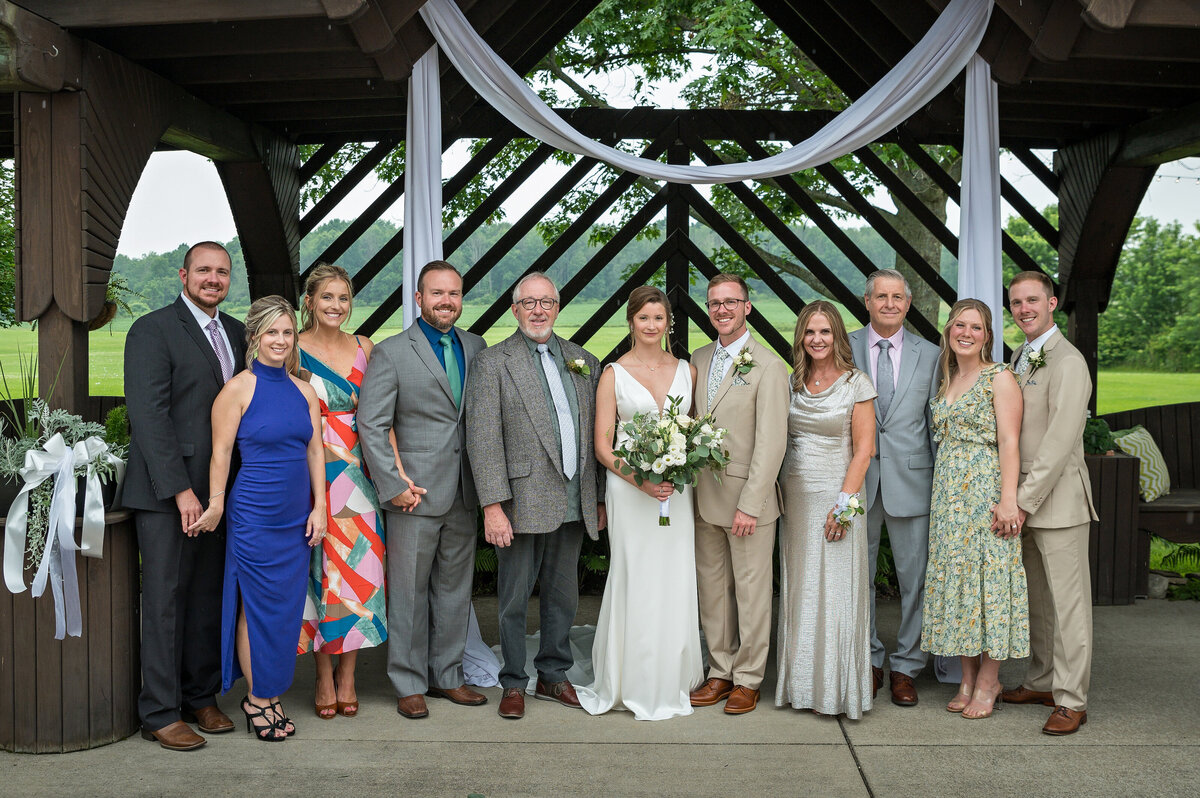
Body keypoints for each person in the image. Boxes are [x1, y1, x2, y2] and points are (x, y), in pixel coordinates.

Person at [464, 272, 604, 721]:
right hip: (519, 502)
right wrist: (492, 506)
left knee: (564, 595)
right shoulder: (493, 362)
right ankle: (513, 681)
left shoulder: (583, 360)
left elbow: (598, 436)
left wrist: (597, 499)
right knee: (513, 597)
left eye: (547, 302)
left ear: (558, 307)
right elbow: (483, 439)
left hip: (572, 498)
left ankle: (553, 674)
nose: (539, 310)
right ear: (514, 309)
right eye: (530, 302)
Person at [123, 241, 245, 751]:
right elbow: (149, 418)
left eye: (221, 271)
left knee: (205, 598)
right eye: (203, 270)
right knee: (166, 603)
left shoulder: (238, 333)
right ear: (183, 274)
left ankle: (200, 697)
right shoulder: (152, 330)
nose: (212, 279)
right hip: (168, 494)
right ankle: (159, 711)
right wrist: (181, 491)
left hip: (220, 493)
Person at [189, 295, 327, 741]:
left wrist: (321, 507)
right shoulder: (237, 390)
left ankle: (270, 693)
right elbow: (221, 454)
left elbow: (314, 450)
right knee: (256, 610)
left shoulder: (304, 390)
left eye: (287, 332)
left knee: (286, 612)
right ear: (254, 337)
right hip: (253, 517)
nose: (281, 341)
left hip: (295, 519)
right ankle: (258, 698)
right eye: (272, 332)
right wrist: (215, 504)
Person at [358, 260, 488, 720]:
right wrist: (392, 486)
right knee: (410, 593)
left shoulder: (477, 346)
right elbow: (371, 424)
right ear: (418, 298)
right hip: (413, 494)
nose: (446, 301)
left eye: (453, 293)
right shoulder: (392, 352)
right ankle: (408, 682)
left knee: (455, 590)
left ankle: (447, 676)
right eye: (437, 293)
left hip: (465, 490)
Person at [578, 286, 703, 721]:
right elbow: (602, 445)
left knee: (674, 573)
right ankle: (629, 676)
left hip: (676, 491)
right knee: (636, 574)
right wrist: (641, 482)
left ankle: (674, 673)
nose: (652, 326)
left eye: (659, 318)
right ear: (631, 321)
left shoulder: (687, 370)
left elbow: (696, 431)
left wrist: (676, 469)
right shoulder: (613, 373)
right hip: (630, 492)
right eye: (643, 318)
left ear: (669, 322)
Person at [1000, 272, 1098, 735]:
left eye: (1032, 300)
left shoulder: (1069, 362)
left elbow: (1060, 441)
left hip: (1056, 502)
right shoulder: (1020, 355)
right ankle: (1041, 680)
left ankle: (1072, 698)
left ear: (1052, 302)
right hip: (1023, 499)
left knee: (1069, 605)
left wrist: (1021, 500)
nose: (1024, 309)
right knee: (1038, 600)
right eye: (1017, 302)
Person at [920, 299, 1026, 720]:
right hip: (948, 498)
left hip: (984, 494)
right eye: (959, 325)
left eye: (976, 327)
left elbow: (1010, 443)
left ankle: (989, 680)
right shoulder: (949, 377)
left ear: (987, 336)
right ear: (949, 330)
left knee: (990, 584)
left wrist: (1009, 501)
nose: (966, 333)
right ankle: (966, 678)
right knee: (958, 585)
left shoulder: (999, 377)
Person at [689, 274, 789, 715]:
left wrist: (752, 503)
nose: (722, 310)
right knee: (712, 589)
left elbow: (773, 442)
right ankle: (720, 671)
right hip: (703, 496)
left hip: (749, 502)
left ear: (748, 307)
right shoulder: (698, 357)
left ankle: (749, 677)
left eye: (731, 302)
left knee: (751, 593)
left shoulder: (768, 365)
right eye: (714, 303)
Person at [295, 264, 391, 720]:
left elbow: (380, 416)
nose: (336, 306)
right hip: (311, 472)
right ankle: (322, 673)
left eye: (343, 298)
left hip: (359, 475)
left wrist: (396, 474)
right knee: (320, 573)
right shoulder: (291, 347)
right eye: (327, 297)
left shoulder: (364, 348)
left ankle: (349, 675)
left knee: (361, 577)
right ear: (309, 301)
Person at [775, 301, 877, 718]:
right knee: (801, 588)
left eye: (825, 332)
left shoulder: (857, 384)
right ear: (801, 337)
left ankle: (837, 691)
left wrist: (844, 507)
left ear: (837, 336)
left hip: (839, 496)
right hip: (795, 499)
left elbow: (865, 450)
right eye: (810, 332)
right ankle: (801, 687)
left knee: (835, 591)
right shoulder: (792, 383)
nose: (817, 340)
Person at [848, 269, 941, 706]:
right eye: (880, 296)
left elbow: (936, 423)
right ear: (866, 301)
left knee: (915, 580)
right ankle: (866, 660)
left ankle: (906, 666)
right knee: (856, 577)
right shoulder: (842, 345)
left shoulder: (933, 354)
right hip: (856, 481)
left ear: (908, 303)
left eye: (897, 297)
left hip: (914, 479)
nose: (889, 303)